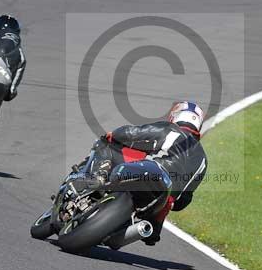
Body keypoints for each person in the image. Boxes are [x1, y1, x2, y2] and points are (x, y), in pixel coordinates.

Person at [88, 101, 208, 246]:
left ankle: (99, 176)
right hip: (161, 202)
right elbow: (183, 201)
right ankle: (152, 230)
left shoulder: (169, 129)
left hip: (148, 173)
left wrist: (112, 135)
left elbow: (132, 134)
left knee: (106, 144)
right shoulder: (203, 160)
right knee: (165, 208)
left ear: (175, 117)